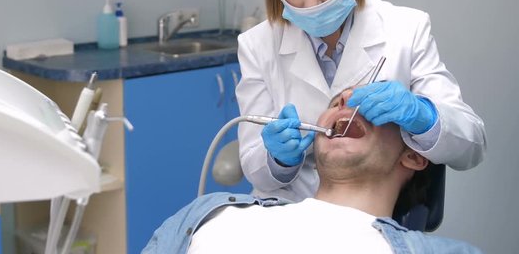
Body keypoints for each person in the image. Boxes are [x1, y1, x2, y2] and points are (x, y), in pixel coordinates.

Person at [236, 0, 486, 202]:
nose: (311, 3)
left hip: (370, 215)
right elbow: (254, 166)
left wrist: (424, 117)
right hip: (287, 211)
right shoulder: (256, 45)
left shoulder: (406, 29)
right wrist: (278, 159)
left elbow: (471, 146)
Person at [142, 89, 482, 253]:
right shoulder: (212, 212)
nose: (348, 106)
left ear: (413, 156)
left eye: (372, 104)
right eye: (337, 103)